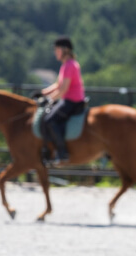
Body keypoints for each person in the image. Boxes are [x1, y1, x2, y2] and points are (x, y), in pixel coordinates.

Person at [40, 35, 85, 163]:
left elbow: (63, 90)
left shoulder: (70, 65)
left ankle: (62, 152)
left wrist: (48, 100)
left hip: (72, 101)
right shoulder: (66, 65)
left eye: (57, 49)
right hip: (68, 100)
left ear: (65, 50)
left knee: (50, 120)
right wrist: (43, 93)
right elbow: (57, 85)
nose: (55, 52)